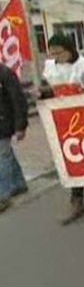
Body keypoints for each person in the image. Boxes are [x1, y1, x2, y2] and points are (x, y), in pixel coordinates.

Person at [38, 34, 84, 224]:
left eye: (58, 53)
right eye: (52, 54)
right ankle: (77, 202)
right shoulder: (50, 68)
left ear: (68, 49)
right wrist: (42, 93)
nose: (55, 57)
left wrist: (81, 93)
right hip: (65, 122)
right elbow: (48, 91)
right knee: (74, 159)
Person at [0, 63, 29, 213]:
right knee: (6, 154)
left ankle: (2, 196)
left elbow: (18, 99)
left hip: (4, 122)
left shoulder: (5, 73)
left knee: (2, 158)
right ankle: (19, 183)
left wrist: (20, 126)